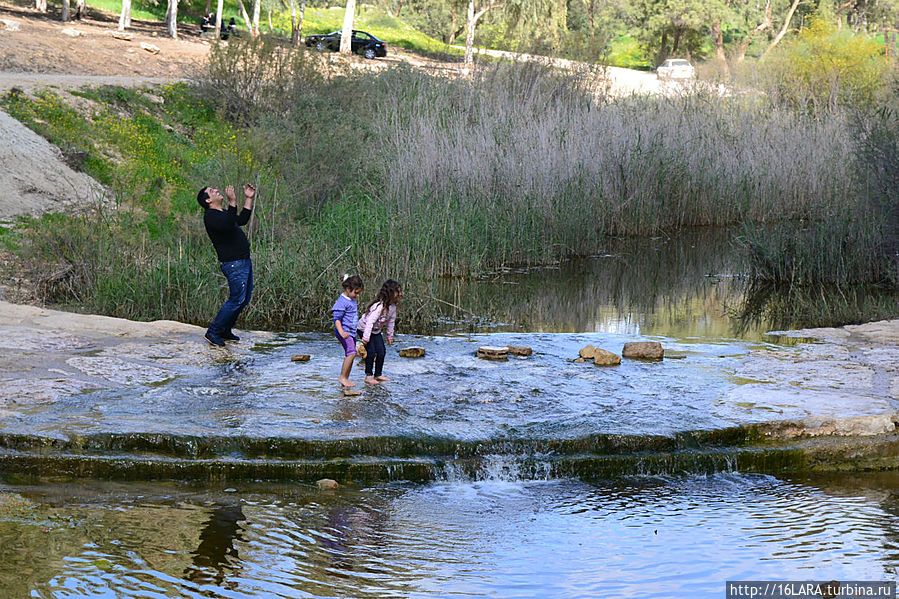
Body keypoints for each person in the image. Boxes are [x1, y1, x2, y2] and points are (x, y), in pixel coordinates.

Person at [197, 183, 255, 347]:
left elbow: (241, 220)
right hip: (234, 264)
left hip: (243, 261)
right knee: (236, 299)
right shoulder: (210, 216)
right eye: (212, 191)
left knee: (243, 300)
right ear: (208, 200)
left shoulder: (222, 212)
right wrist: (232, 202)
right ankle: (213, 331)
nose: (216, 190)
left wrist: (248, 198)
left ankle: (225, 330)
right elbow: (228, 224)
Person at [358, 279, 401, 385]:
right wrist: (366, 338)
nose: (399, 294)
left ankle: (378, 374)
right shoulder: (379, 307)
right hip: (364, 328)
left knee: (381, 351)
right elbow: (370, 322)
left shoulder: (392, 308)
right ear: (390, 293)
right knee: (371, 351)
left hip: (375, 331)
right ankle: (368, 376)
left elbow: (391, 322)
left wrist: (390, 336)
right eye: (397, 291)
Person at [332, 274, 364, 387]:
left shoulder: (351, 299)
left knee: (351, 353)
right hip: (344, 332)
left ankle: (345, 378)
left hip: (351, 332)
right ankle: (342, 377)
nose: (357, 296)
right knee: (351, 353)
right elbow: (337, 320)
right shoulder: (342, 302)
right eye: (356, 293)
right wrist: (342, 332)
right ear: (347, 289)